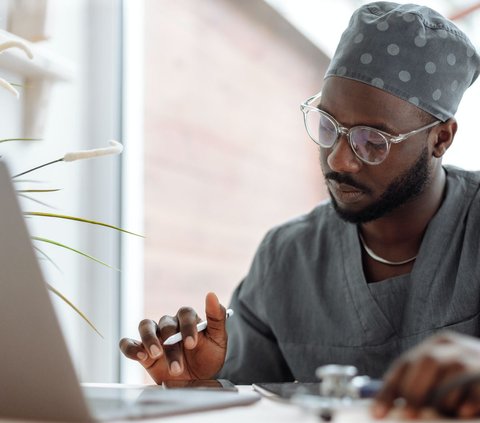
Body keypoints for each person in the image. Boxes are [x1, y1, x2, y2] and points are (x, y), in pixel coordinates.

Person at [120, 1, 480, 418]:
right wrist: (203, 386)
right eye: (328, 126)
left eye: (373, 142)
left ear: (440, 139)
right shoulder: (288, 259)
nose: (339, 160)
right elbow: (249, 403)